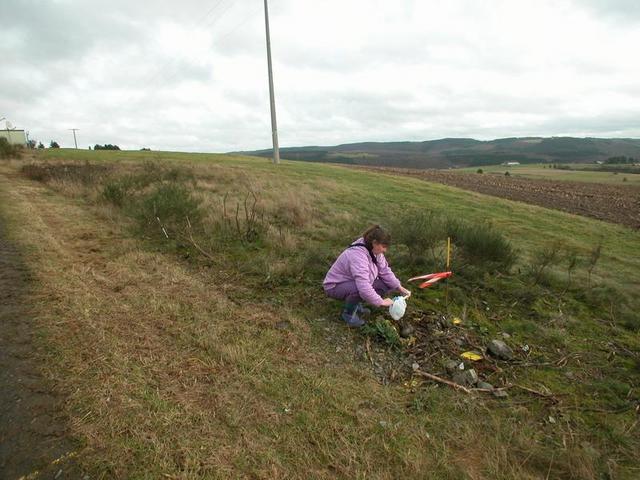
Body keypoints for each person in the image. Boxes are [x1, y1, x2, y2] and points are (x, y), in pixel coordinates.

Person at [323, 224, 411, 327]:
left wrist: (399, 287)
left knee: (385, 285)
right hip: (335, 286)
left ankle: (355, 304)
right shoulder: (357, 255)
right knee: (358, 289)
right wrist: (381, 302)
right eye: (383, 246)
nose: (385, 250)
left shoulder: (375, 252)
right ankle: (348, 315)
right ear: (374, 243)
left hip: (351, 282)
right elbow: (363, 286)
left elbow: (385, 271)